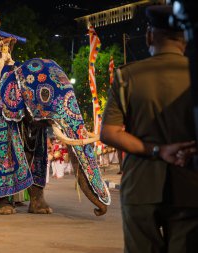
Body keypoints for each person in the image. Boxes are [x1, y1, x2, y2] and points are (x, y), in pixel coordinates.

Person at [100, 5, 198, 253]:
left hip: (141, 188)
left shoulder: (127, 77)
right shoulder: (193, 75)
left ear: (149, 35)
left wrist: (157, 150)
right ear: (184, 38)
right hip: (190, 187)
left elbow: (110, 132)